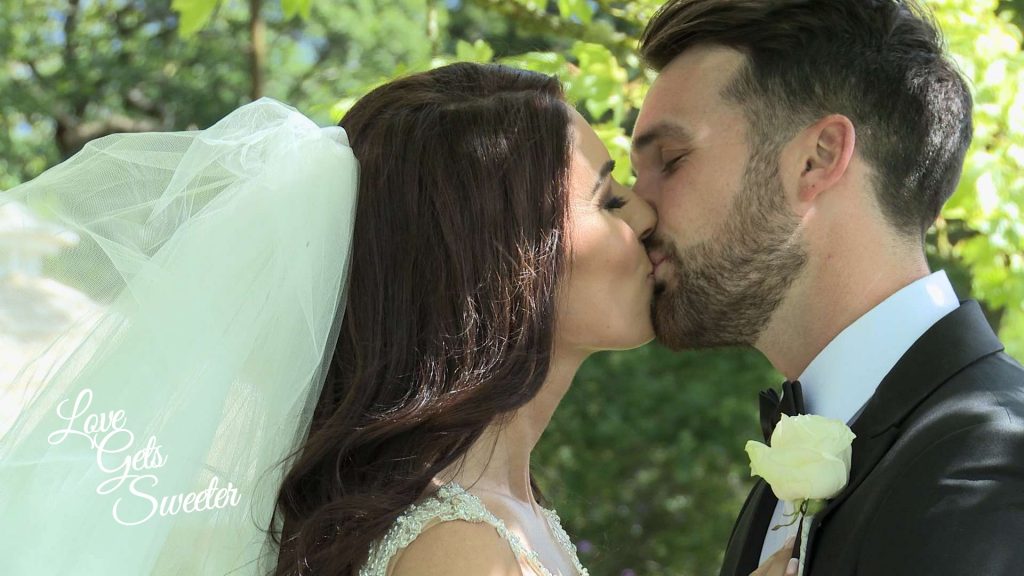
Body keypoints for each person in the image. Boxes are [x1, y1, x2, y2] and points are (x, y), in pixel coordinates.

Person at [633, 1, 1024, 575]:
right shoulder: (802, 452)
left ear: (817, 159)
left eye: (670, 159)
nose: (637, 212)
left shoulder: (990, 463)